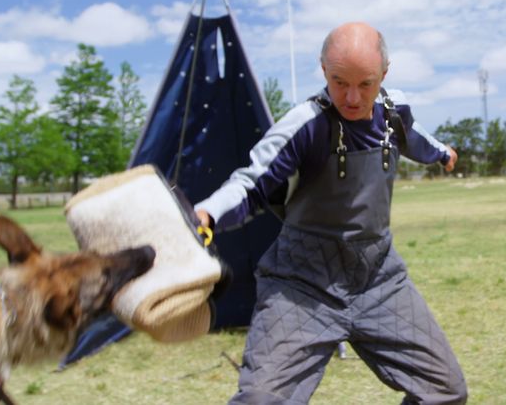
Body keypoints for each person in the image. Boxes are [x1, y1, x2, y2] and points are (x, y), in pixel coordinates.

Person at [195, 22, 467, 404]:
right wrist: (207, 213)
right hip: (302, 283)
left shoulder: (393, 112)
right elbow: (252, 182)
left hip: (379, 279)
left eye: (366, 84)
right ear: (323, 70)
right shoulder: (305, 125)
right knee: (261, 400)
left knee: (445, 392)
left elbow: (414, 135)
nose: (353, 97)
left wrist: (441, 153)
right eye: (340, 82)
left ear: (384, 75)